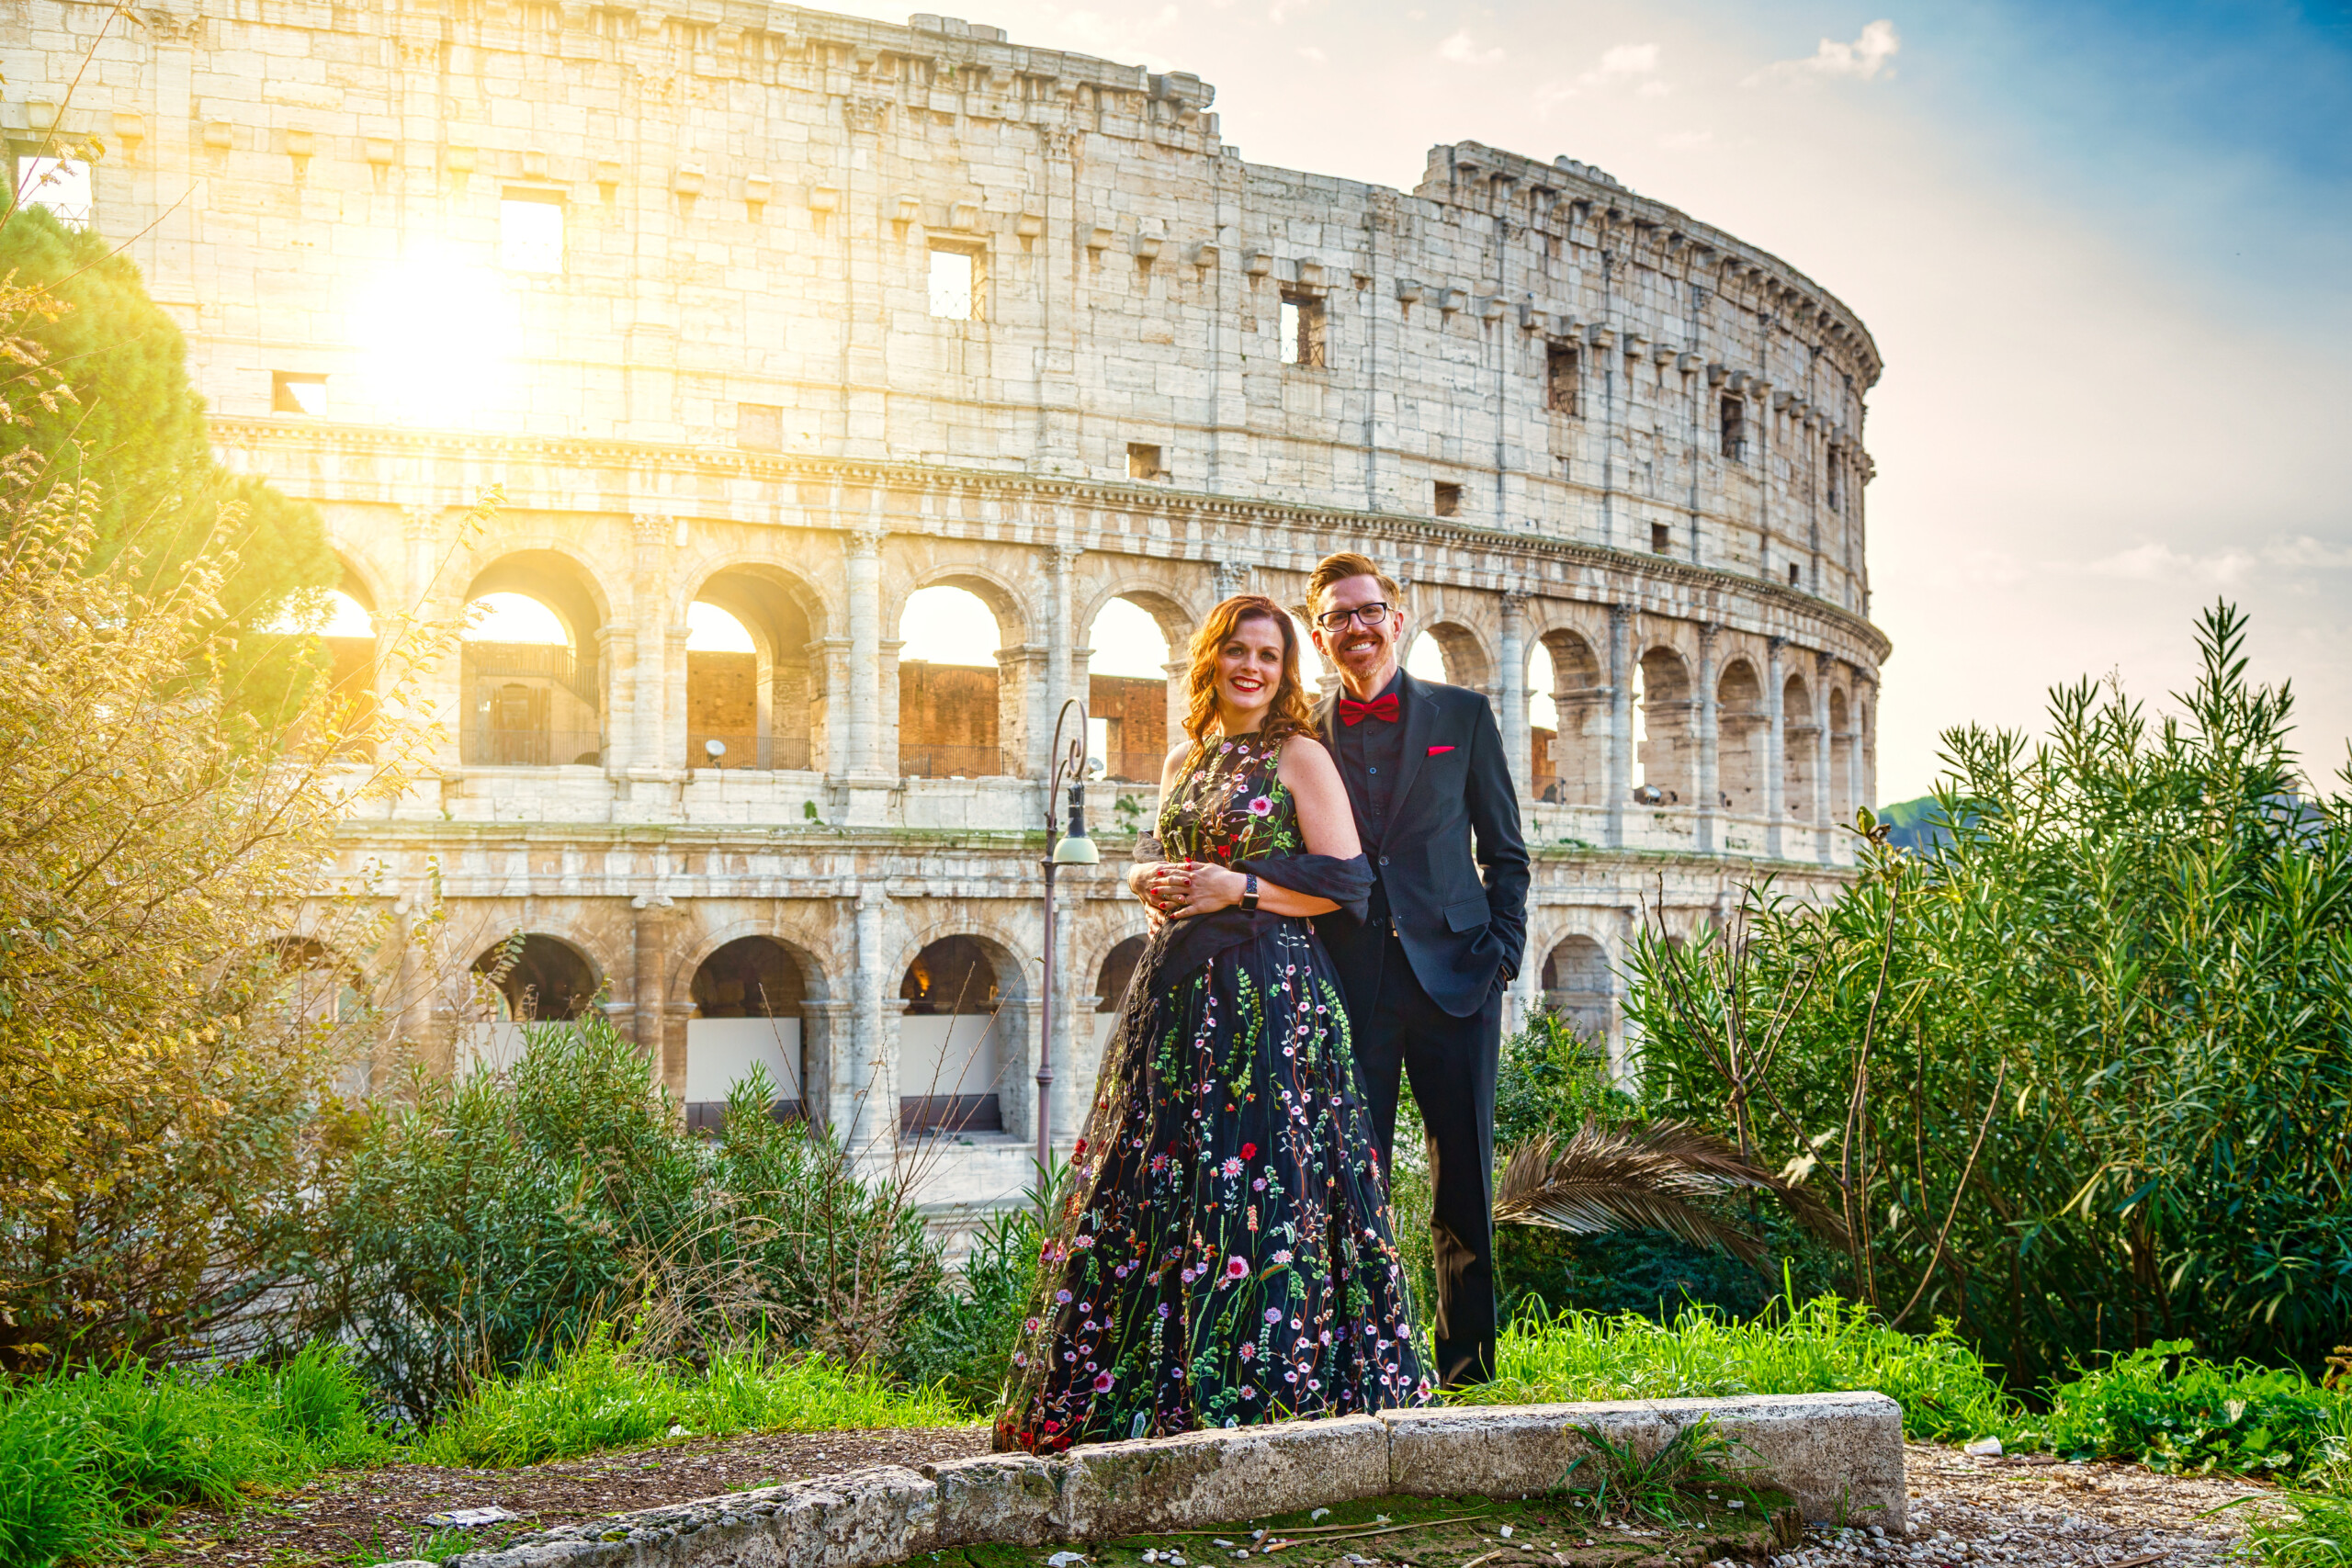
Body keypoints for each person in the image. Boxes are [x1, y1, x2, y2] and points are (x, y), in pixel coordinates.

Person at [994, 593, 1431, 1451]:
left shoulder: (1298, 753)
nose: (1252, 668)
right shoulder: (1182, 757)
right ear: (1211, 659)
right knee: (1171, 1181)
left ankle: (1273, 1391)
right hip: (1181, 994)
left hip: (1270, 996)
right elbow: (1178, 856)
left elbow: (1347, 882)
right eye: (1238, 650)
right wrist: (1143, 881)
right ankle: (1168, 1386)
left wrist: (1243, 887)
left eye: (1269, 655)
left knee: (1266, 1188)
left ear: (1285, 670)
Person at [1305, 551, 1529, 1389]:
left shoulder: (1462, 715)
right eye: (1338, 617)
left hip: (1459, 978)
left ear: (1398, 617)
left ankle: (1468, 1371)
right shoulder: (1306, 734)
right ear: (1319, 633)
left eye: (1369, 611)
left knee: (1462, 1182)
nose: (1356, 628)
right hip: (1351, 982)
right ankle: (1360, 1364)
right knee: (1350, 1182)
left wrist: (1504, 951)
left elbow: (1506, 851)